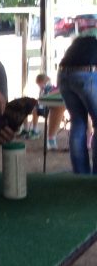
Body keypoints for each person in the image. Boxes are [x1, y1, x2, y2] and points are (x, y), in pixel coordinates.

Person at [57, 35, 97, 174]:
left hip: (63, 76)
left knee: (78, 122)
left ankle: (80, 175)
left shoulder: (83, 42)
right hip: (86, 74)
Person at [20, 74, 65, 149]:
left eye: (39, 84)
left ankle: (35, 129)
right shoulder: (44, 88)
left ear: (43, 81)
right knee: (27, 108)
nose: (39, 86)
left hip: (47, 108)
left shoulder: (49, 87)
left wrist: (41, 97)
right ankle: (26, 128)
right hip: (44, 107)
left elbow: (46, 98)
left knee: (34, 110)